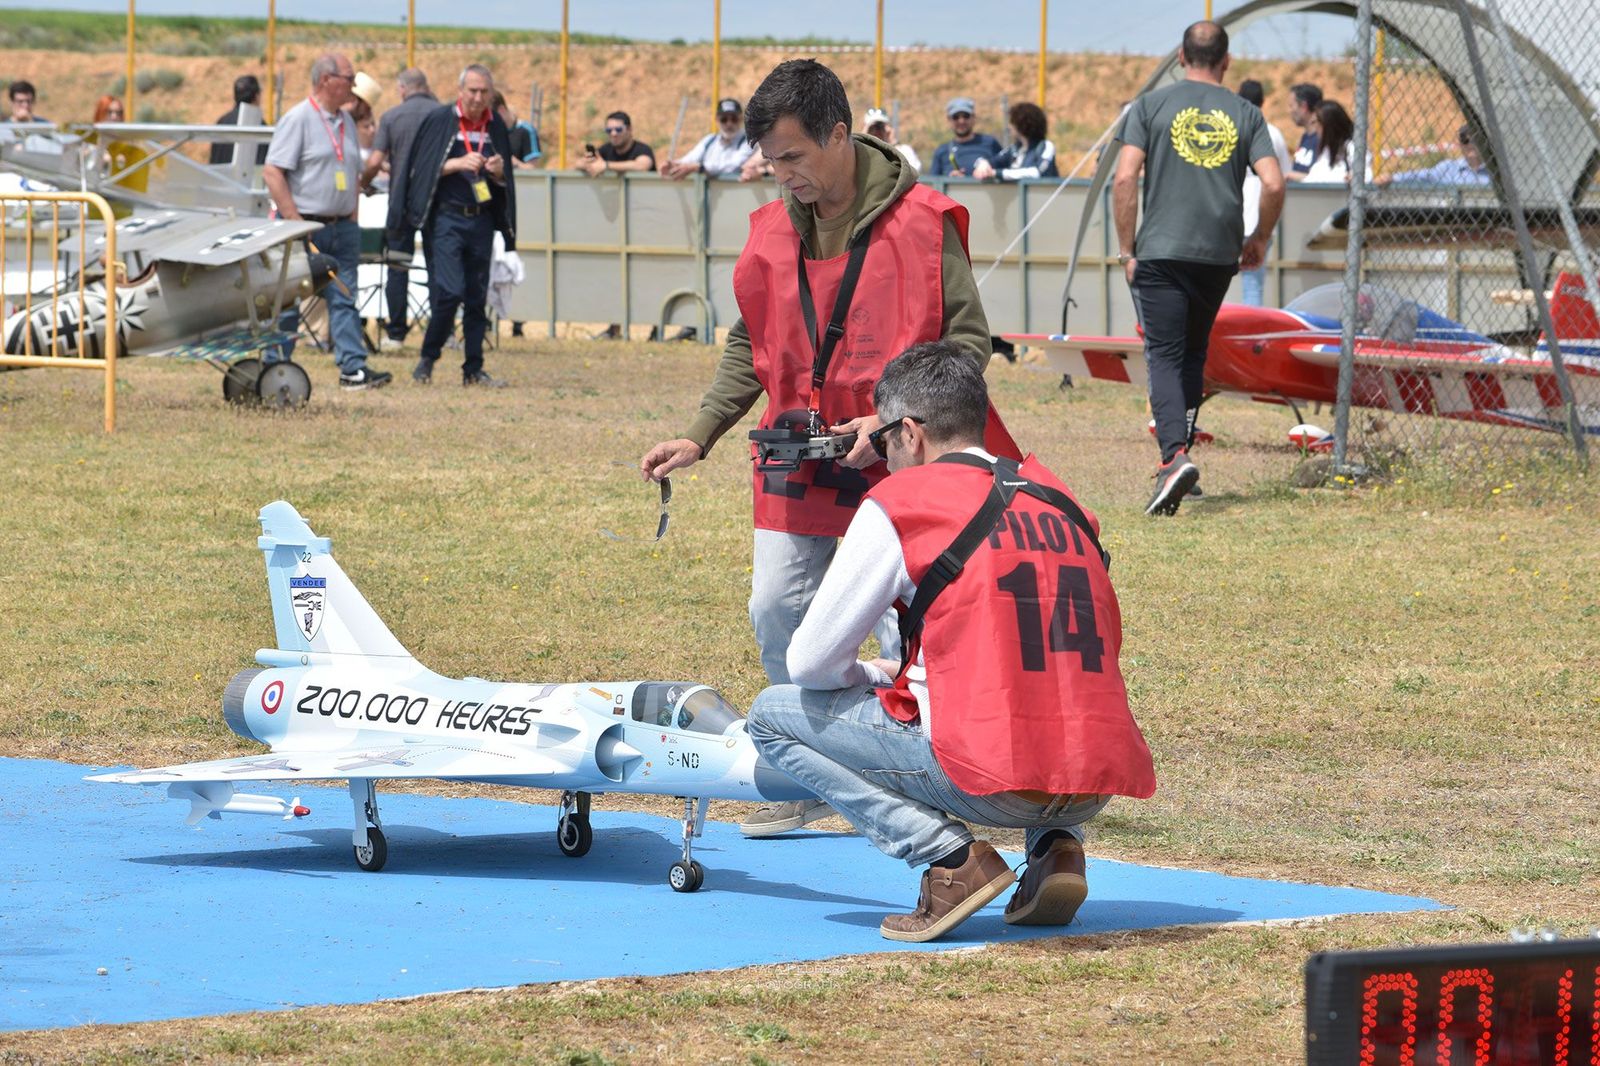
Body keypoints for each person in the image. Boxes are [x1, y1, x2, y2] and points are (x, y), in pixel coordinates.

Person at [637, 58, 1008, 838]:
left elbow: (967, 344)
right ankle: (815, 776)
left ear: (841, 136)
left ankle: (910, 772)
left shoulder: (922, 221)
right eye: (771, 161)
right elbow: (754, 341)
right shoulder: (772, 230)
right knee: (777, 611)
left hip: (903, 460)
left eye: (794, 158)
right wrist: (700, 434)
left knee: (903, 628)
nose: (782, 176)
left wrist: (891, 420)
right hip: (793, 458)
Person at [746, 341, 1155, 942]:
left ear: (909, 432)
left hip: (991, 778)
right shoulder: (1066, 500)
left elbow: (809, 662)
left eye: (882, 441)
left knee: (771, 715)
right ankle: (1057, 852)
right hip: (1092, 780)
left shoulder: (902, 502)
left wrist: (876, 676)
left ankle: (949, 861)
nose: (882, 459)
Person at [1113, 21, 1282, 515]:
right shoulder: (1246, 113)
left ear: (1181, 57)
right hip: (1217, 254)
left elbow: (1125, 178)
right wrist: (1260, 239)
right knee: (1190, 353)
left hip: (1162, 250)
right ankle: (1180, 454)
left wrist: (1127, 250)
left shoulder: (1149, 106)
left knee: (1163, 355)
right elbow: (1272, 184)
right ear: (1226, 61)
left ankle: (1173, 460)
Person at [262, 53, 391, 390]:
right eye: (348, 78)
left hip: (342, 226)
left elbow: (351, 173)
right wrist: (294, 220)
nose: (353, 84)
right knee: (291, 300)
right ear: (325, 81)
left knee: (344, 296)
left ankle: (353, 369)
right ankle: (275, 369)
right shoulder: (298, 119)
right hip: (304, 226)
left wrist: (351, 214)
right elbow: (273, 172)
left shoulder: (346, 123)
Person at [387, 63, 515, 388]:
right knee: (449, 291)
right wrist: (456, 164)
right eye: (472, 90)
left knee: (476, 296)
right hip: (446, 218)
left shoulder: (494, 123)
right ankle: (428, 357)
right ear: (460, 91)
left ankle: (473, 368)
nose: (477, 97)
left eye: (484, 92)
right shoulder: (441, 120)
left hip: (482, 219)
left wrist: (499, 172)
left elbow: (504, 179)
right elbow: (419, 167)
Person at [362, 67, 438, 351]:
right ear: (426, 86)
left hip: (400, 203)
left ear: (403, 89)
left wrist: (364, 183)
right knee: (437, 267)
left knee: (397, 267)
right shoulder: (442, 114)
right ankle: (442, 331)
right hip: (435, 202)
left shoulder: (392, 117)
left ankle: (395, 333)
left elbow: (374, 161)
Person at [1236, 80, 1291, 307]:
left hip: (1230, 214)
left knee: (1210, 281)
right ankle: (1251, 338)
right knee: (1253, 285)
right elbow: (1283, 175)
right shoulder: (1272, 133)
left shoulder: (1231, 127)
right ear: (1263, 101)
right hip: (1260, 217)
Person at [1375, 122, 1492, 187]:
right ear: (1460, 144)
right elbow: (1422, 176)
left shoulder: (1494, 172)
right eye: (1465, 140)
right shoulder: (1449, 168)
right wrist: (1393, 178)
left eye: (1474, 140)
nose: (1469, 145)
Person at [662, 98, 754, 179]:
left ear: (741, 119)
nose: (729, 124)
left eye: (734, 119)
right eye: (724, 119)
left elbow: (733, 166)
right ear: (717, 120)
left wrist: (700, 168)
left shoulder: (748, 142)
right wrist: (673, 164)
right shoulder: (710, 140)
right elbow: (690, 159)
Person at [984, 101, 1058, 181]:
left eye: (1012, 122)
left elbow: (1038, 172)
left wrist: (999, 173)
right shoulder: (1014, 149)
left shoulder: (1045, 146)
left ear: (1022, 124)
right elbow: (995, 161)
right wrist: (984, 165)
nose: (1009, 127)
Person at [928, 97, 1002, 178]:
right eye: (956, 117)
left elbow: (1005, 171)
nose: (961, 121)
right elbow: (933, 184)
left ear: (973, 118)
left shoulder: (990, 143)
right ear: (949, 120)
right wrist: (949, 179)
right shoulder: (941, 151)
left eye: (966, 116)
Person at [1302, 100, 1369, 183]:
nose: (1315, 128)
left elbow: (1366, 176)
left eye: (1316, 122)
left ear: (1328, 125)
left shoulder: (1352, 148)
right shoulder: (1326, 150)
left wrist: (1354, 179)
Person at [208, 74, 268, 167]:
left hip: (219, 180)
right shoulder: (258, 126)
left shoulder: (222, 122)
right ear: (256, 96)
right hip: (241, 181)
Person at [577, 111, 655, 176]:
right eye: (609, 130)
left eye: (618, 129)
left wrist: (606, 165)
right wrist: (588, 163)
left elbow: (642, 166)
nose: (613, 134)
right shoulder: (606, 149)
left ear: (629, 129)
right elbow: (578, 164)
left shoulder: (642, 149)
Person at [493, 91, 542, 170]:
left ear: (501, 110)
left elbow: (533, 169)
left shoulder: (526, 131)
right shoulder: (487, 131)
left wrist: (511, 161)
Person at [861, 107, 920, 172]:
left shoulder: (904, 150)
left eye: (881, 126)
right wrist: (863, 138)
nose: (877, 130)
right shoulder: (858, 149)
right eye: (872, 127)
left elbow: (914, 170)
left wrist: (893, 143)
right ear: (865, 128)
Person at [1286, 82, 1322, 182]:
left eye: (1291, 106)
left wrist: (1291, 176)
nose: (1289, 111)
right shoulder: (1305, 137)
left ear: (1304, 107)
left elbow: (1324, 178)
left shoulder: (1323, 140)